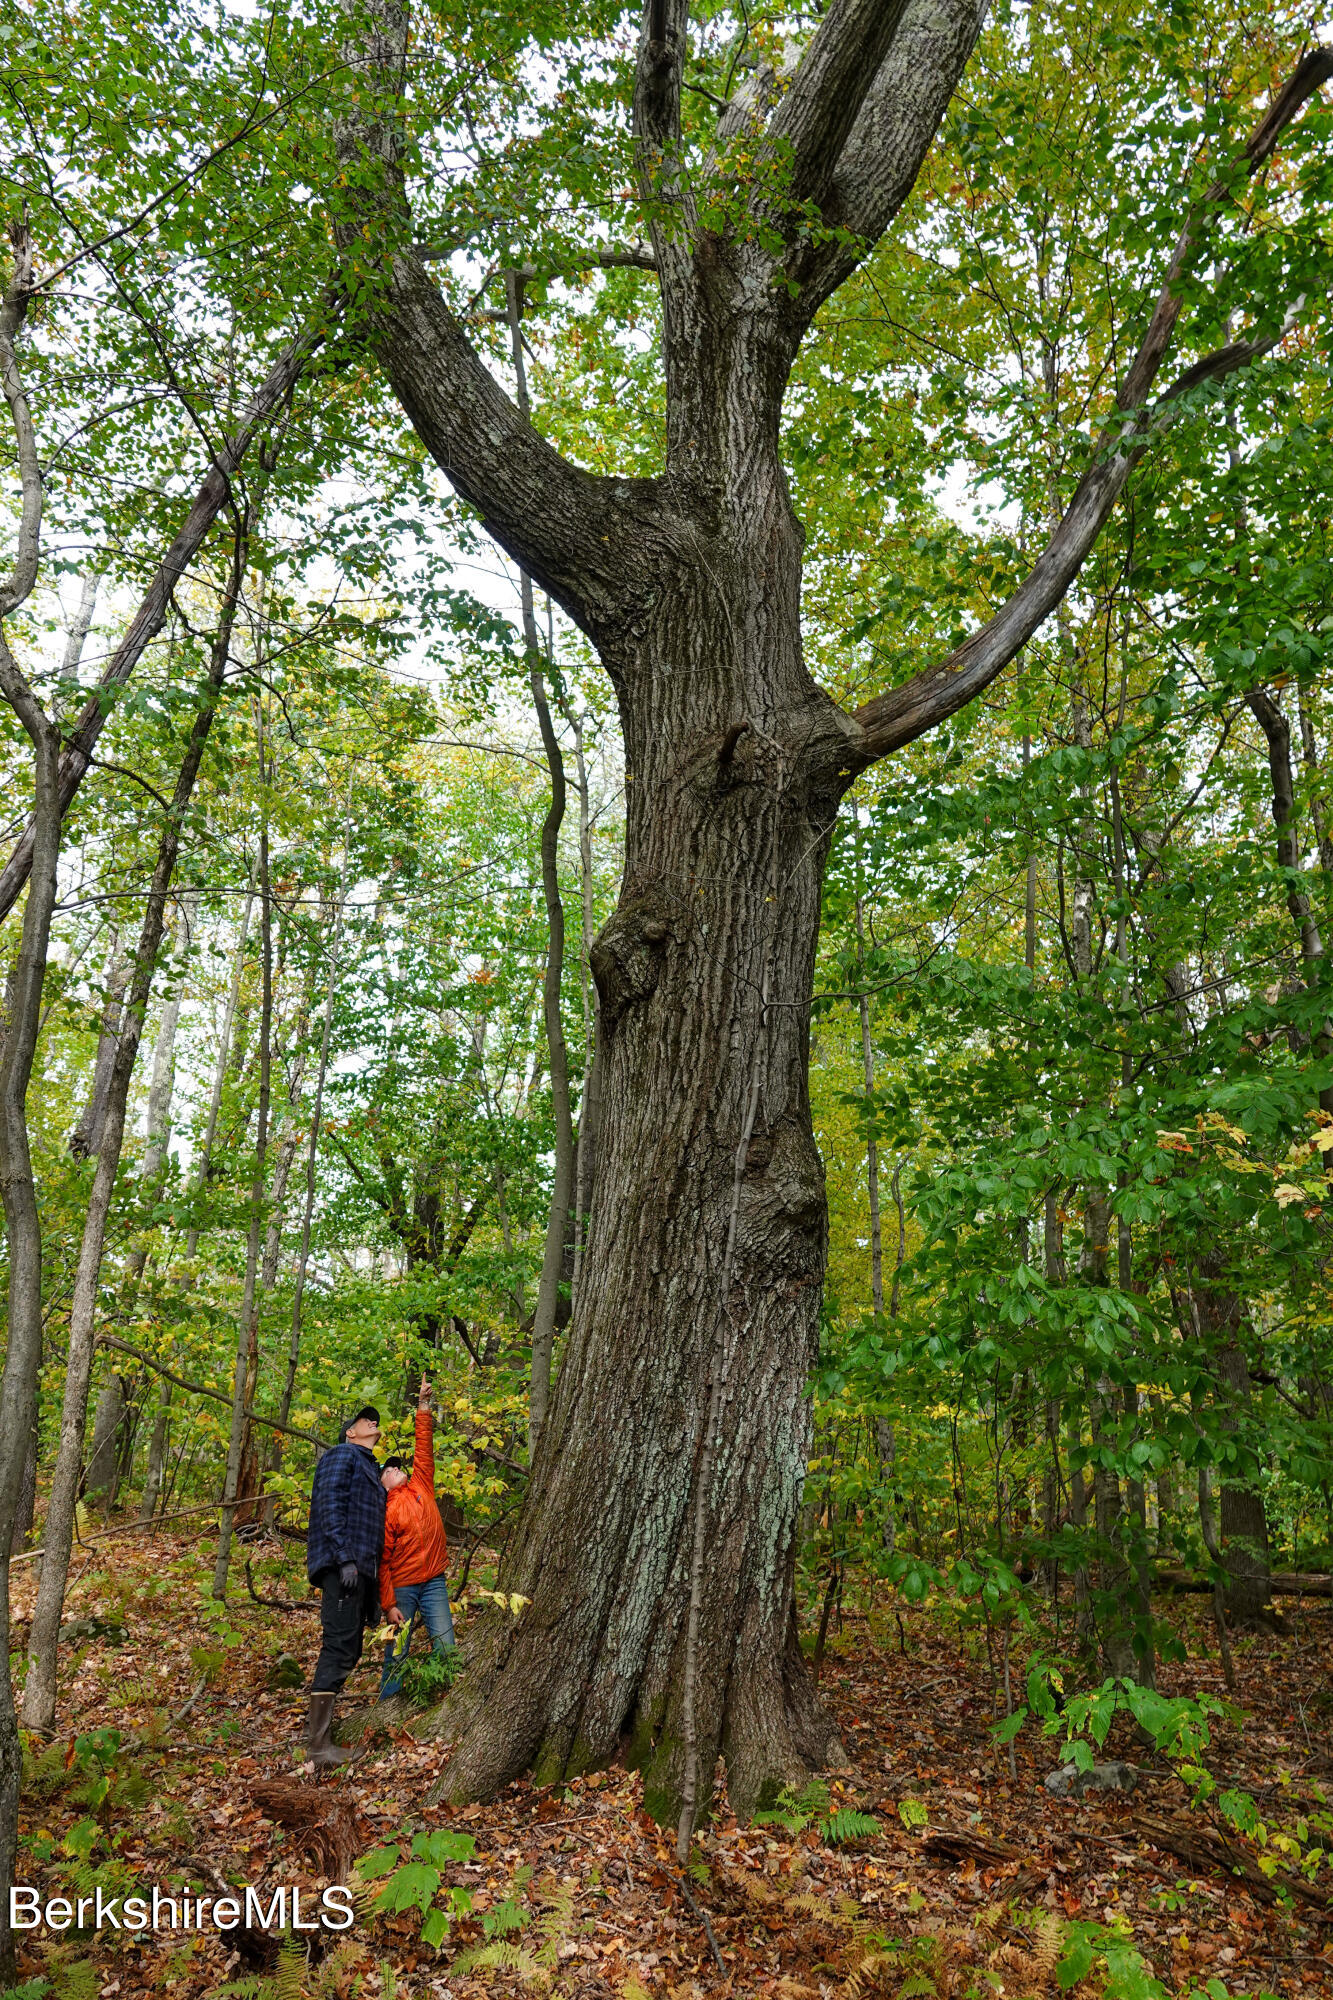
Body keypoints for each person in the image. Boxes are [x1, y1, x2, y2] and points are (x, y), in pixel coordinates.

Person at [303, 1404, 386, 1765]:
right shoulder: (341, 1454)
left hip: (360, 1571)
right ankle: (318, 1747)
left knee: (350, 1649)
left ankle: (322, 1743)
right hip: (343, 1566)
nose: (373, 1422)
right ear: (350, 1432)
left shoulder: (371, 1468)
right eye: (365, 1420)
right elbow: (330, 1503)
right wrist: (344, 1557)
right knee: (338, 1648)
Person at [378, 1373, 455, 1699]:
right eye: (387, 1470)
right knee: (397, 1650)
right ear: (381, 1483)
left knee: (446, 1645)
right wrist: (389, 1604)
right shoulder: (386, 1511)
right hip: (404, 1587)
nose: (395, 1468)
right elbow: (381, 1561)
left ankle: (441, 1699)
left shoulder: (421, 1483)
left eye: (396, 1466)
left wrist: (423, 1405)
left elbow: (424, 1447)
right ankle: (386, 1708)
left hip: (434, 1580)